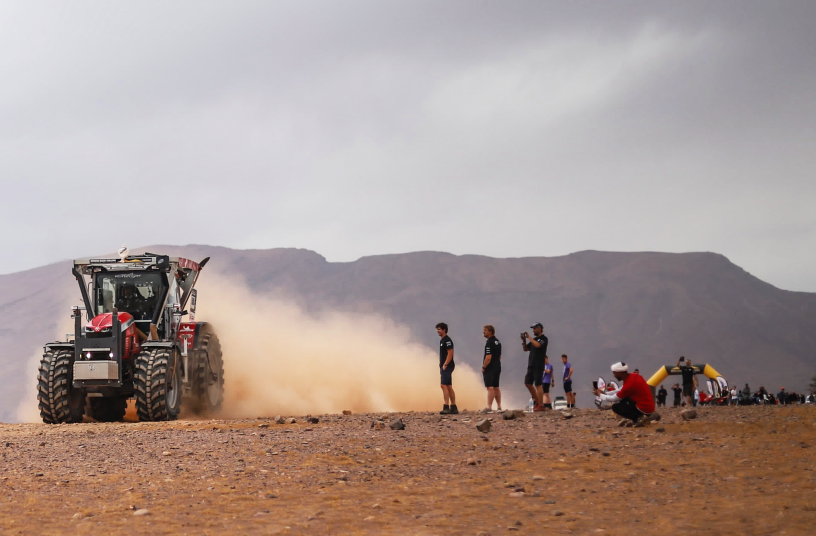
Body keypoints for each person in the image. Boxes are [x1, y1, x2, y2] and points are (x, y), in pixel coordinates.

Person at [594, 362, 658, 427]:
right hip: (649, 407)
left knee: (616, 407)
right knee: (623, 399)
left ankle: (638, 419)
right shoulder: (634, 376)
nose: (614, 375)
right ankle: (641, 417)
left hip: (644, 409)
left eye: (614, 373)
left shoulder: (629, 384)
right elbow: (619, 390)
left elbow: (613, 398)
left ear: (619, 372)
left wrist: (600, 395)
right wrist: (604, 393)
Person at [521, 322, 548, 412]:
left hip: (538, 364)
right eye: (533, 329)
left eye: (535, 328)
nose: (533, 330)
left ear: (540, 329)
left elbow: (538, 345)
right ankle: (536, 400)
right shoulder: (534, 339)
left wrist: (529, 337)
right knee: (528, 382)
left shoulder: (543, 339)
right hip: (531, 364)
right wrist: (524, 341)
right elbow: (525, 349)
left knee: (538, 384)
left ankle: (541, 405)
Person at [436, 322, 458, 415]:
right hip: (444, 365)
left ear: (444, 330)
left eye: (439, 329)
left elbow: (450, 353)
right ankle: (453, 407)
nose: (438, 331)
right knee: (448, 386)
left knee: (443, 385)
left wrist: (445, 364)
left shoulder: (447, 340)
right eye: (437, 329)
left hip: (447, 366)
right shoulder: (442, 340)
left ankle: (446, 407)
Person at [481, 325, 502, 413]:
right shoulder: (498, 342)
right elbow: (500, 356)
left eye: (485, 330)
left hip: (490, 367)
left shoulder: (489, 343)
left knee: (490, 387)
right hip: (497, 366)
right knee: (496, 387)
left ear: (490, 331)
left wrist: (484, 367)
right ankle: (499, 407)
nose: (483, 332)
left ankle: (489, 408)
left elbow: (488, 357)